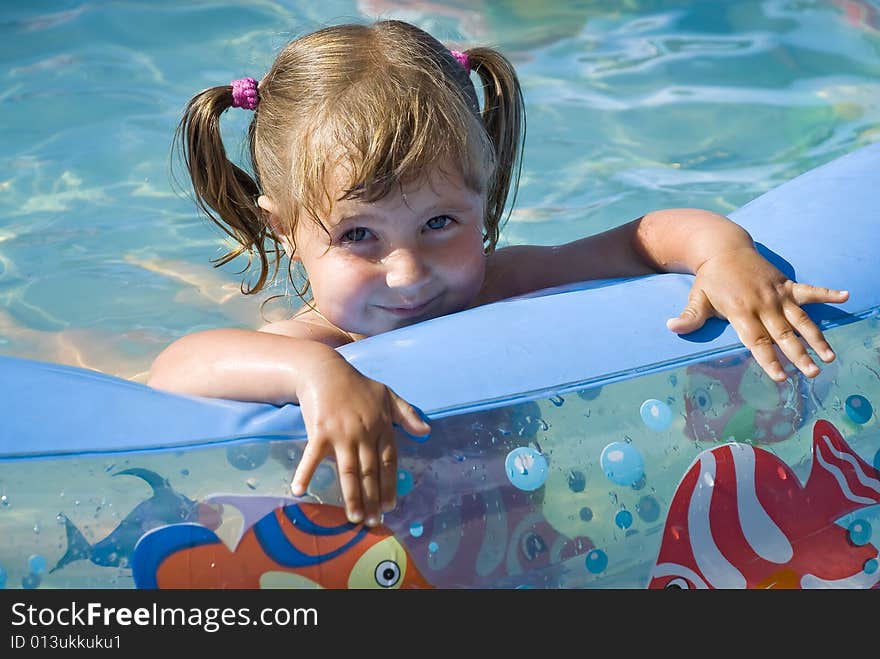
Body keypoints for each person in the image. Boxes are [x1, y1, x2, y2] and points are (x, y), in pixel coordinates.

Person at [148, 19, 849, 529]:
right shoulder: (320, 346)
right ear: (285, 232)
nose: (407, 271)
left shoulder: (502, 285)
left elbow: (642, 240)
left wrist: (723, 253)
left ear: (484, 196)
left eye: (440, 224)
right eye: (358, 235)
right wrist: (315, 376)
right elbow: (175, 371)